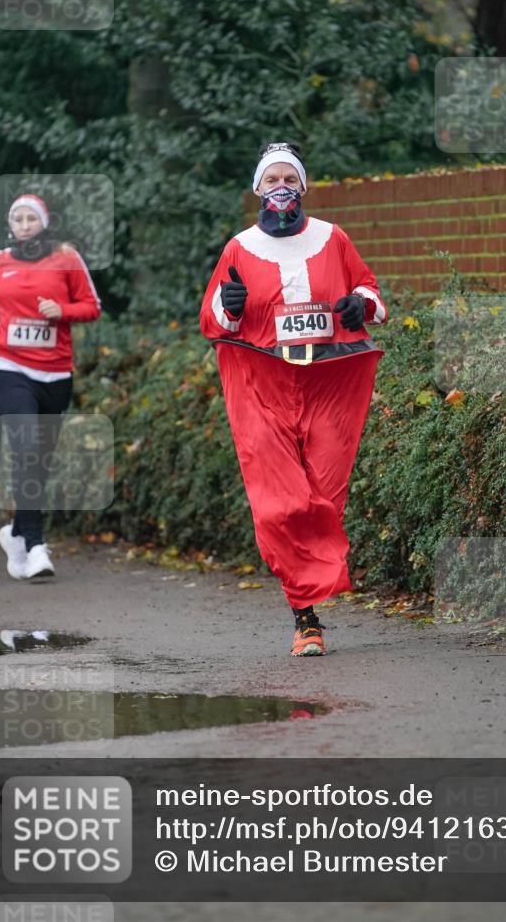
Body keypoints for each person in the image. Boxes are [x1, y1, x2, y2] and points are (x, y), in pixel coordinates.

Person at [200, 142, 388, 657]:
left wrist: (358, 305)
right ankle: (306, 618)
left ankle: (318, 580)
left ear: (302, 186)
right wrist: (229, 306)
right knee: (279, 500)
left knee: (325, 493)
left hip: (328, 382)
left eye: (289, 177)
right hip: (264, 384)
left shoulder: (333, 238)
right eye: (271, 179)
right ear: (257, 189)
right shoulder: (239, 247)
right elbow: (212, 319)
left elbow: (372, 294)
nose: (280, 186)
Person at [0, 193, 102, 578]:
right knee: (25, 447)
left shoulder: (66, 258)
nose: (24, 225)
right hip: (9, 367)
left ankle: (17, 532)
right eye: (17, 219)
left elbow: (93, 306)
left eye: (31, 219)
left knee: (39, 460)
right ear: (11, 225)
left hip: (56, 373)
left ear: (44, 222)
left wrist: (64, 312)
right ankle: (36, 544)